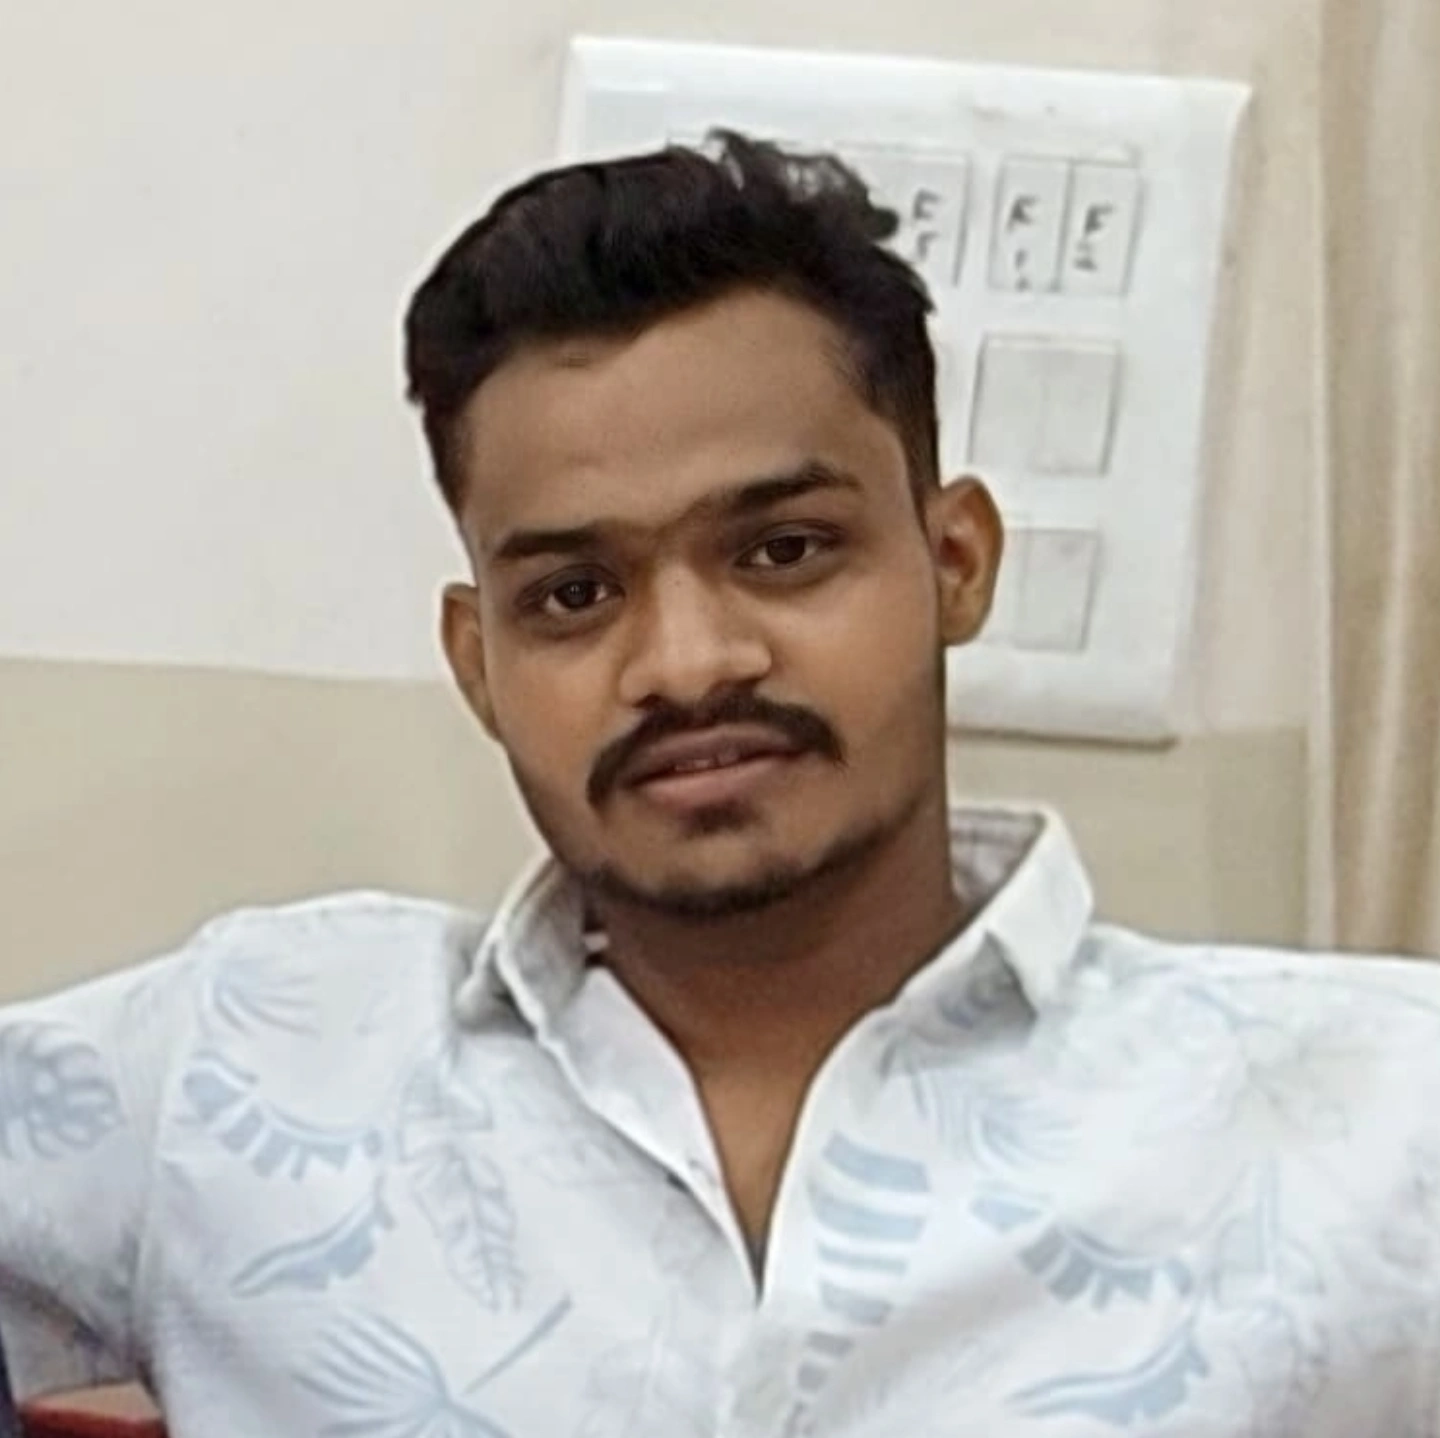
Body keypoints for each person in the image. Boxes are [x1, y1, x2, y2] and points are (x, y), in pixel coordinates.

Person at [1, 132, 1437, 1438]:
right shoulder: (244, 1059)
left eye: (784, 551)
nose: (687, 663)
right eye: (574, 594)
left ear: (955, 563)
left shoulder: (1377, 1115)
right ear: (479, 661)